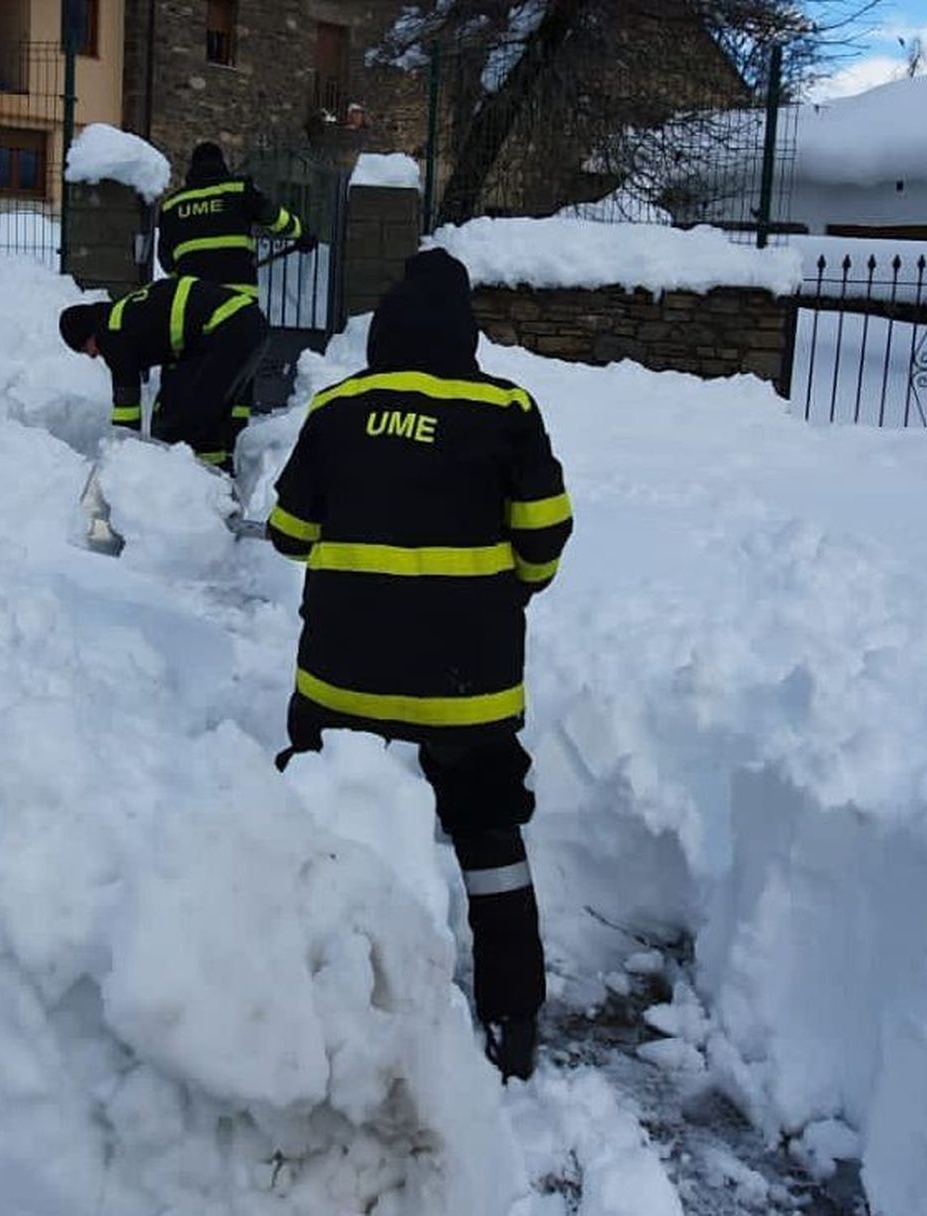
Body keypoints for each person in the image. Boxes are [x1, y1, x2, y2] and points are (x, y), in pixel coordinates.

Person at [267, 248, 573, 1082]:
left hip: (340, 679)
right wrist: (511, 587)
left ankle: (303, 994)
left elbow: (289, 533)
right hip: (467, 686)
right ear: (465, 336)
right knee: (488, 830)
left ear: (384, 335)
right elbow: (544, 533)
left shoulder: (338, 407)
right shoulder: (506, 408)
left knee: (319, 818)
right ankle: (513, 1019)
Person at [157, 142, 317, 454]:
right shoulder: (238, 190)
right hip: (237, 306)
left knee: (196, 372)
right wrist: (302, 233)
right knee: (239, 370)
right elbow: (276, 219)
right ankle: (231, 445)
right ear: (222, 165)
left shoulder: (173, 205)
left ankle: (188, 445)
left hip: (191, 308)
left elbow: (166, 260)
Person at [58, 276, 267, 473]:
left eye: (85, 348)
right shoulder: (128, 316)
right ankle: (218, 475)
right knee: (188, 411)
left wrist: (121, 455)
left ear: (90, 333)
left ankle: (214, 483)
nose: (93, 355)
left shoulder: (112, 334)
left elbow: (127, 405)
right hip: (245, 322)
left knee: (195, 417)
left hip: (228, 327)